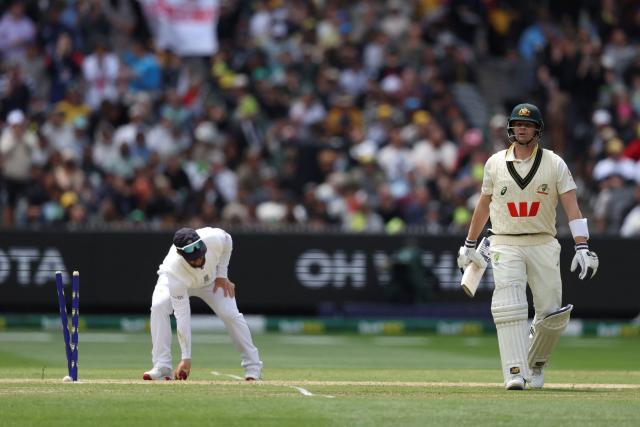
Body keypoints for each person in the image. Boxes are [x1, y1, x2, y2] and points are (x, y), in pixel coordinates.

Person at [457, 103, 599, 390]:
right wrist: (470, 243)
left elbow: (572, 207)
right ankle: (514, 373)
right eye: (517, 124)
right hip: (504, 242)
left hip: (543, 242)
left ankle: (534, 363)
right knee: (509, 304)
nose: (521, 128)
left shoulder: (555, 163)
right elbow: (483, 205)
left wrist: (582, 246)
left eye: (527, 124)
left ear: (537, 129)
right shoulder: (495, 162)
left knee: (551, 313)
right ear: (511, 128)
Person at [143, 227, 263, 381]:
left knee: (230, 314)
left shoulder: (215, 237)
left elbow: (228, 241)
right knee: (158, 306)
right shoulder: (174, 271)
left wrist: (222, 275)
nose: (199, 260)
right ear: (180, 254)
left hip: (211, 281)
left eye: (200, 253)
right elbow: (182, 315)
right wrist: (186, 358)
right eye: (193, 258)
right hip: (181, 281)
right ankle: (162, 366)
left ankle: (253, 367)